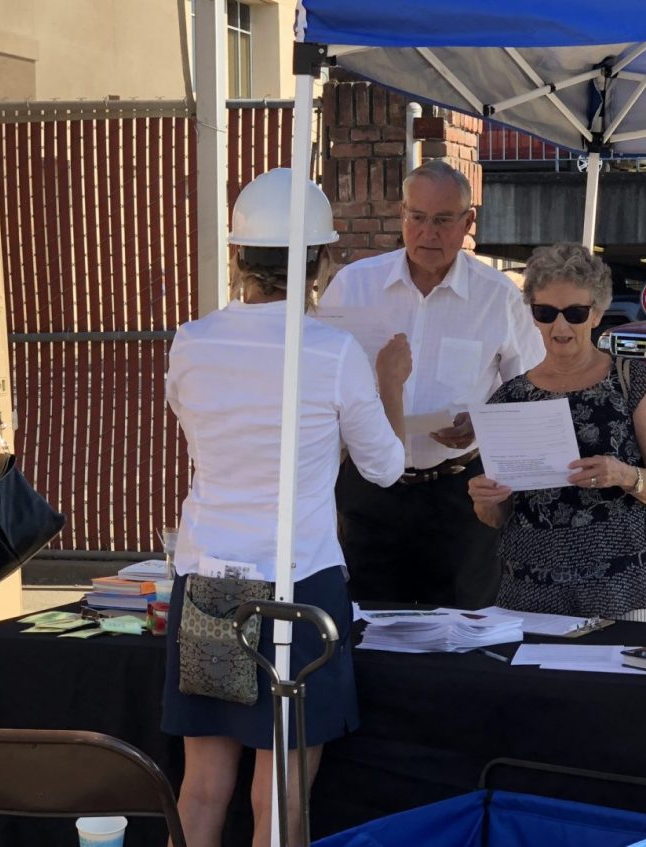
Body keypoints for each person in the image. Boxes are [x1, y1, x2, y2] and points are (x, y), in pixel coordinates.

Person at [161, 168, 409, 847]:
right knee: (279, 795)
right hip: (299, 585)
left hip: (211, 578)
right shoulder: (333, 352)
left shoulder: (192, 341)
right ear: (320, 261)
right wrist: (390, 384)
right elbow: (386, 466)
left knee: (203, 786)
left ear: (239, 254)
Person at [319, 159, 544, 610]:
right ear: (401, 214)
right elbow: (320, 382)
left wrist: (483, 424)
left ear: (468, 222)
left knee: (462, 636)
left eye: (443, 220)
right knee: (370, 629)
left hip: (459, 493)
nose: (429, 233)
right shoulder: (353, 287)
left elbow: (530, 394)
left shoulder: (498, 296)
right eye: (417, 218)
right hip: (371, 491)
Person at [467, 243, 646, 621]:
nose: (560, 326)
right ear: (532, 315)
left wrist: (623, 474)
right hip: (532, 585)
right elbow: (497, 516)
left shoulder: (632, 381)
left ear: (597, 314)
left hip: (625, 581)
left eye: (575, 313)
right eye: (546, 312)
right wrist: (486, 499)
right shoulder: (509, 397)